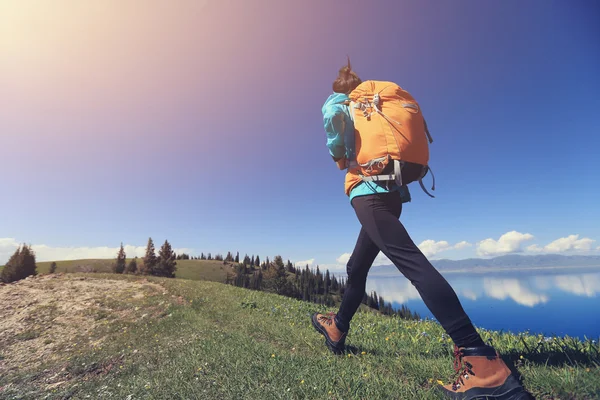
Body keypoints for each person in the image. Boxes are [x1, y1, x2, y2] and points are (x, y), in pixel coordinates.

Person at [311, 60, 529, 400]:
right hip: (393, 194)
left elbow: (334, 138)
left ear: (341, 86)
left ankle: (481, 362)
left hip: (368, 192)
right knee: (356, 267)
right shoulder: (384, 96)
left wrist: (339, 153)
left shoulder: (340, 100)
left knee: (412, 263)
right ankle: (337, 328)